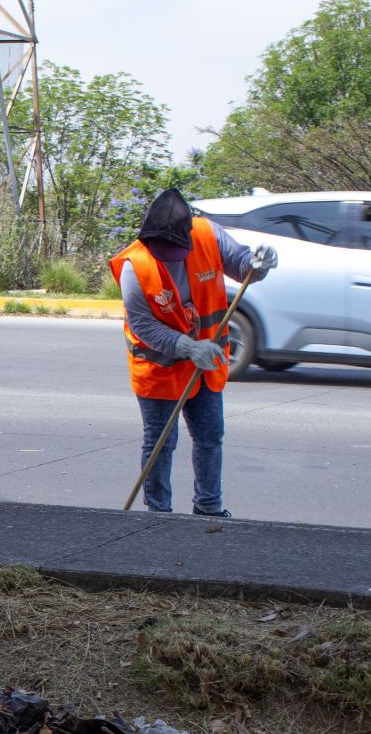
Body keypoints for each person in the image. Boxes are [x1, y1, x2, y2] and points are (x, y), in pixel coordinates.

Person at [109, 188, 275, 518]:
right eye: (161, 251)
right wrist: (186, 346)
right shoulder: (134, 266)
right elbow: (143, 326)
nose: (167, 258)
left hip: (206, 364)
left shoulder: (207, 235)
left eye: (174, 252)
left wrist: (260, 264)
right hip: (159, 368)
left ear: (187, 238)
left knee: (210, 436)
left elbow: (244, 269)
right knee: (160, 443)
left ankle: (209, 508)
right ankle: (158, 514)